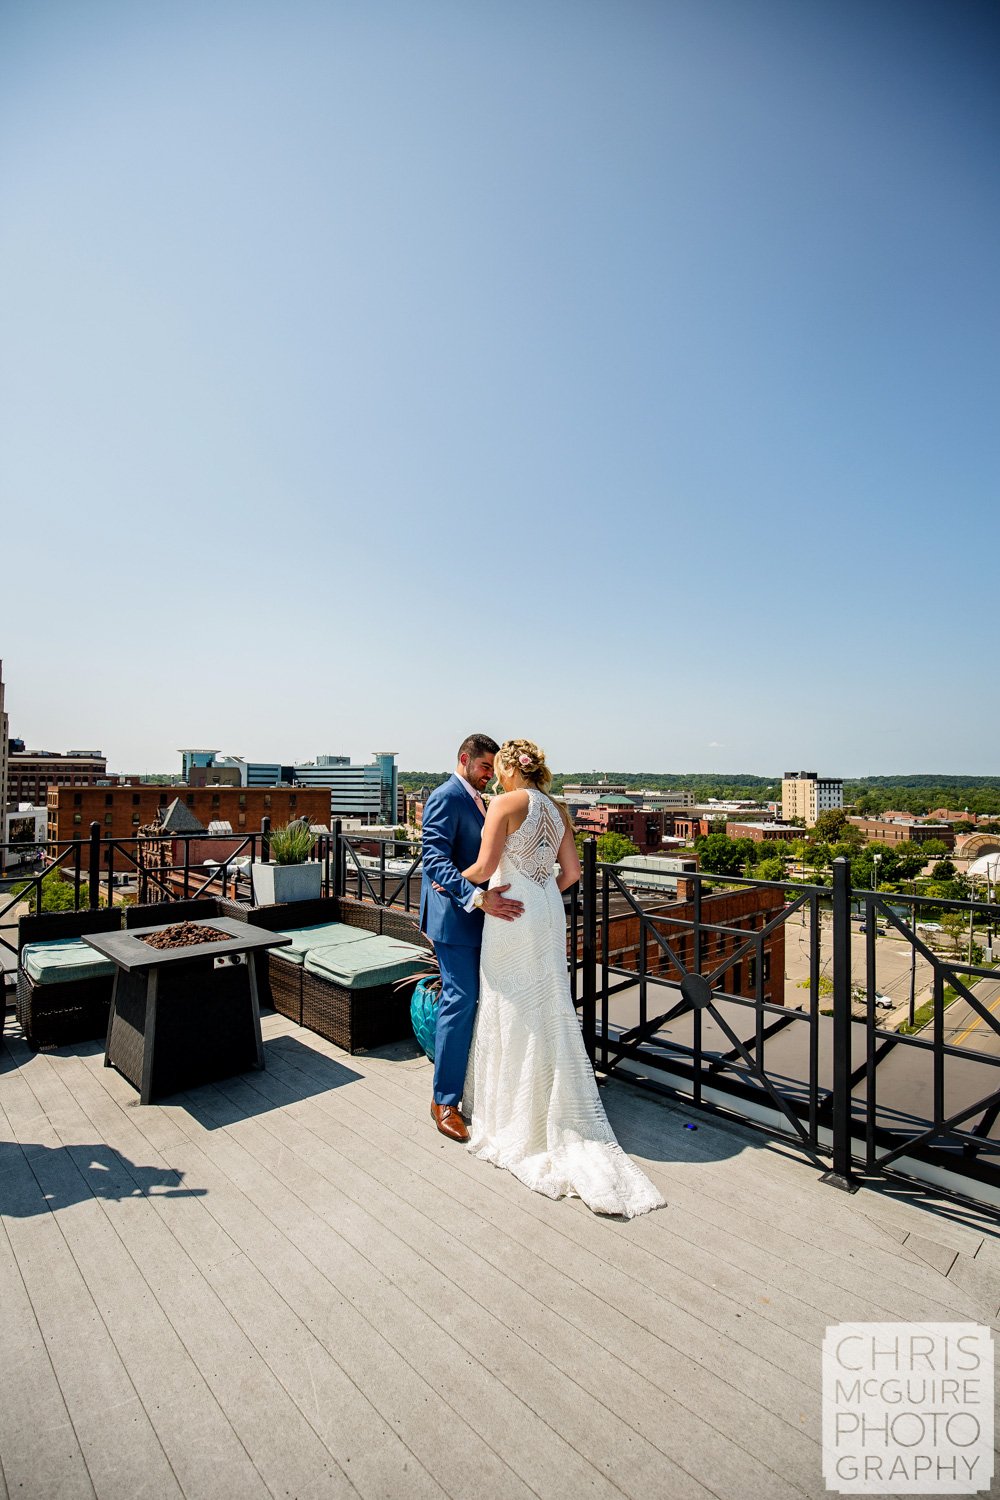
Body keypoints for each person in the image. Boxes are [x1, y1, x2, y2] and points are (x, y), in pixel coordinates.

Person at [460, 738, 665, 1219]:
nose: (495, 777)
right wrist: (537, 891)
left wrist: (445, 878)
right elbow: (570, 873)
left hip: (510, 912)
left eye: (499, 770)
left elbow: (486, 868)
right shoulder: (557, 808)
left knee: (510, 1003)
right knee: (548, 1002)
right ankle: (551, 1100)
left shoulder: (504, 802)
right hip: (547, 910)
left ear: (510, 768)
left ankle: (517, 1115)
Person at [419, 733, 524, 1142]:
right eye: (484, 767)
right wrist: (477, 897)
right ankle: (443, 1101)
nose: (488, 776)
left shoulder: (483, 799)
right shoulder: (446, 796)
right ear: (464, 759)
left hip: (486, 919)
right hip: (454, 920)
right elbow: (433, 860)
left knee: (486, 1000)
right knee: (460, 1001)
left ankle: (479, 1085)